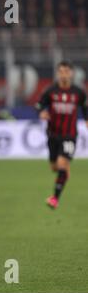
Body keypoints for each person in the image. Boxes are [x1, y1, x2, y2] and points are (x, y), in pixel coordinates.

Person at [36, 60, 88, 209]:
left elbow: (85, 107)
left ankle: (54, 199)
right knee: (55, 168)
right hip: (53, 135)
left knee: (62, 164)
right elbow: (38, 105)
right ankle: (63, 174)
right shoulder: (50, 91)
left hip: (69, 135)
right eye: (61, 71)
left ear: (71, 73)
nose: (64, 74)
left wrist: (86, 119)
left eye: (66, 71)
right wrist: (41, 112)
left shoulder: (78, 92)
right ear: (58, 73)